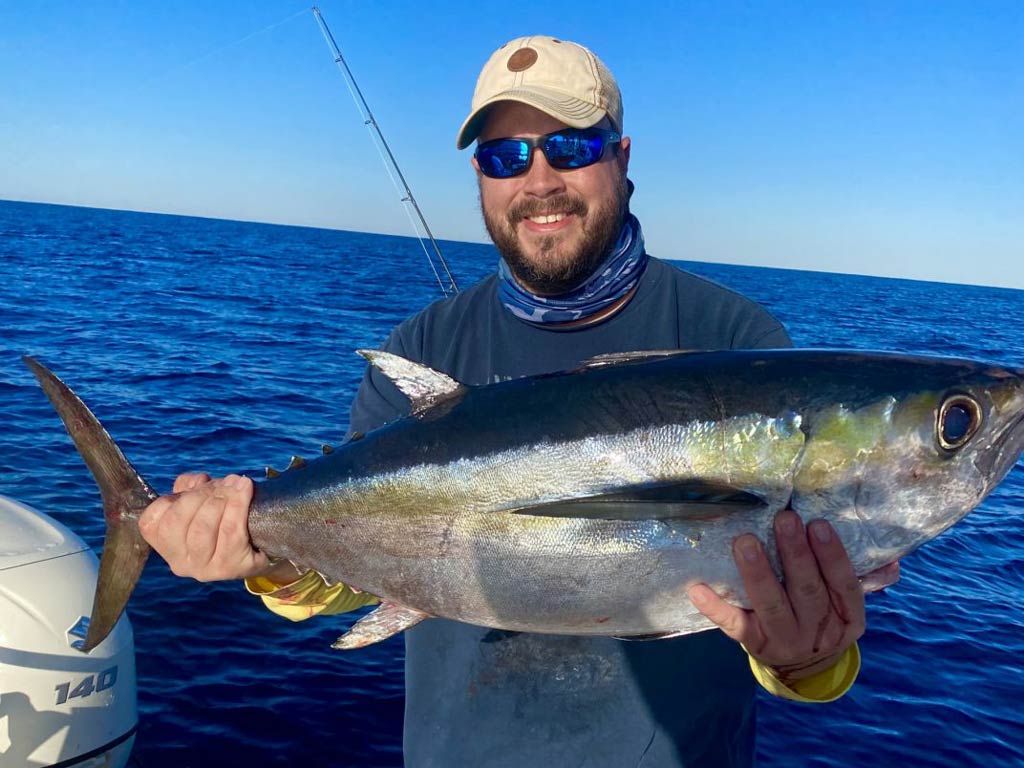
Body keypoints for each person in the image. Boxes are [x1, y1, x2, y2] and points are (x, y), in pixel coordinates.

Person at [140, 36, 898, 766]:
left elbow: (810, 661)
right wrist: (256, 557)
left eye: (570, 146)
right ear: (481, 177)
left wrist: (811, 661)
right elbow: (343, 576)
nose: (539, 180)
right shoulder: (425, 348)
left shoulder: (735, 339)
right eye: (506, 156)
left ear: (622, 158)